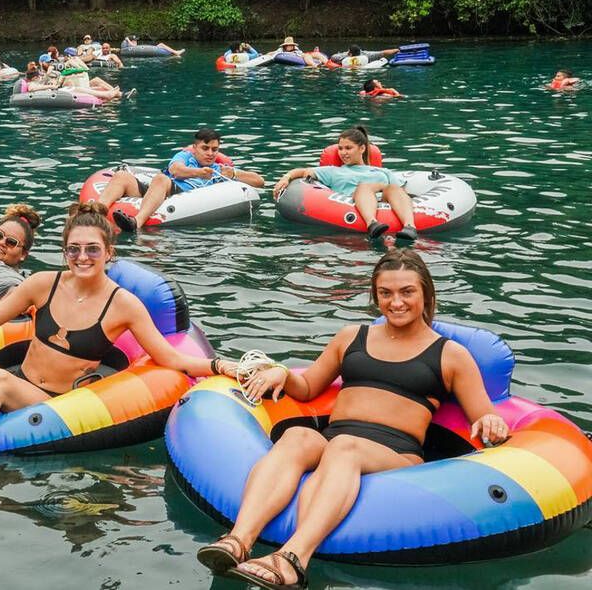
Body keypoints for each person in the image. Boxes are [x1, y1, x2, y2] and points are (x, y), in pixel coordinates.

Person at [0, 202, 238, 484]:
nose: (82, 257)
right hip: (23, 380)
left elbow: (169, 358)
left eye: (92, 249)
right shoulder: (41, 285)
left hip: (55, 402)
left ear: (108, 252)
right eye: (74, 249)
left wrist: (224, 366)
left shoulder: (123, 305)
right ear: (65, 250)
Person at [197, 248, 509, 589]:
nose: (396, 302)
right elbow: (308, 386)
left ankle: (292, 559)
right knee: (298, 438)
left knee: (345, 448)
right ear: (375, 296)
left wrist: (492, 421)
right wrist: (281, 374)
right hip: (336, 439)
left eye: (407, 292)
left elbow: (483, 413)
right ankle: (238, 541)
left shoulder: (450, 354)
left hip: (395, 454)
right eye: (386, 293)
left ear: (426, 294)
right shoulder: (351, 337)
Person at [100, 128, 266, 232]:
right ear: (195, 148)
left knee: (160, 179)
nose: (210, 153)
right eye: (205, 148)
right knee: (124, 176)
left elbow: (260, 181)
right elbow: (175, 170)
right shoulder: (185, 156)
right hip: (169, 188)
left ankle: (136, 223)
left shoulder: (220, 170)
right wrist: (199, 172)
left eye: (214, 149)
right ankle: (95, 211)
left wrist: (234, 174)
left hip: (184, 199)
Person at [273, 126, 417, 241]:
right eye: (340, 149)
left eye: (348, 148)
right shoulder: (333, 171)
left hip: (384, 200)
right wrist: (286, 177)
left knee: (393, 188)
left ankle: (409, 227)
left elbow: (400, 192)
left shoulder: (383, 171)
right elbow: (302, 171)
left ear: (362, 148)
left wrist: (383, 187)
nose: (343, 153)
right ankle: (372, 224)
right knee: (364, 187)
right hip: (355, 203)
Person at [330, 44, 400, 64]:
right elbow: (383, 53)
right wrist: (396, 50)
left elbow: (332, 58)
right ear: (360, 51)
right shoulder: (366, 55)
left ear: (350, 53)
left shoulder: (343, 55)